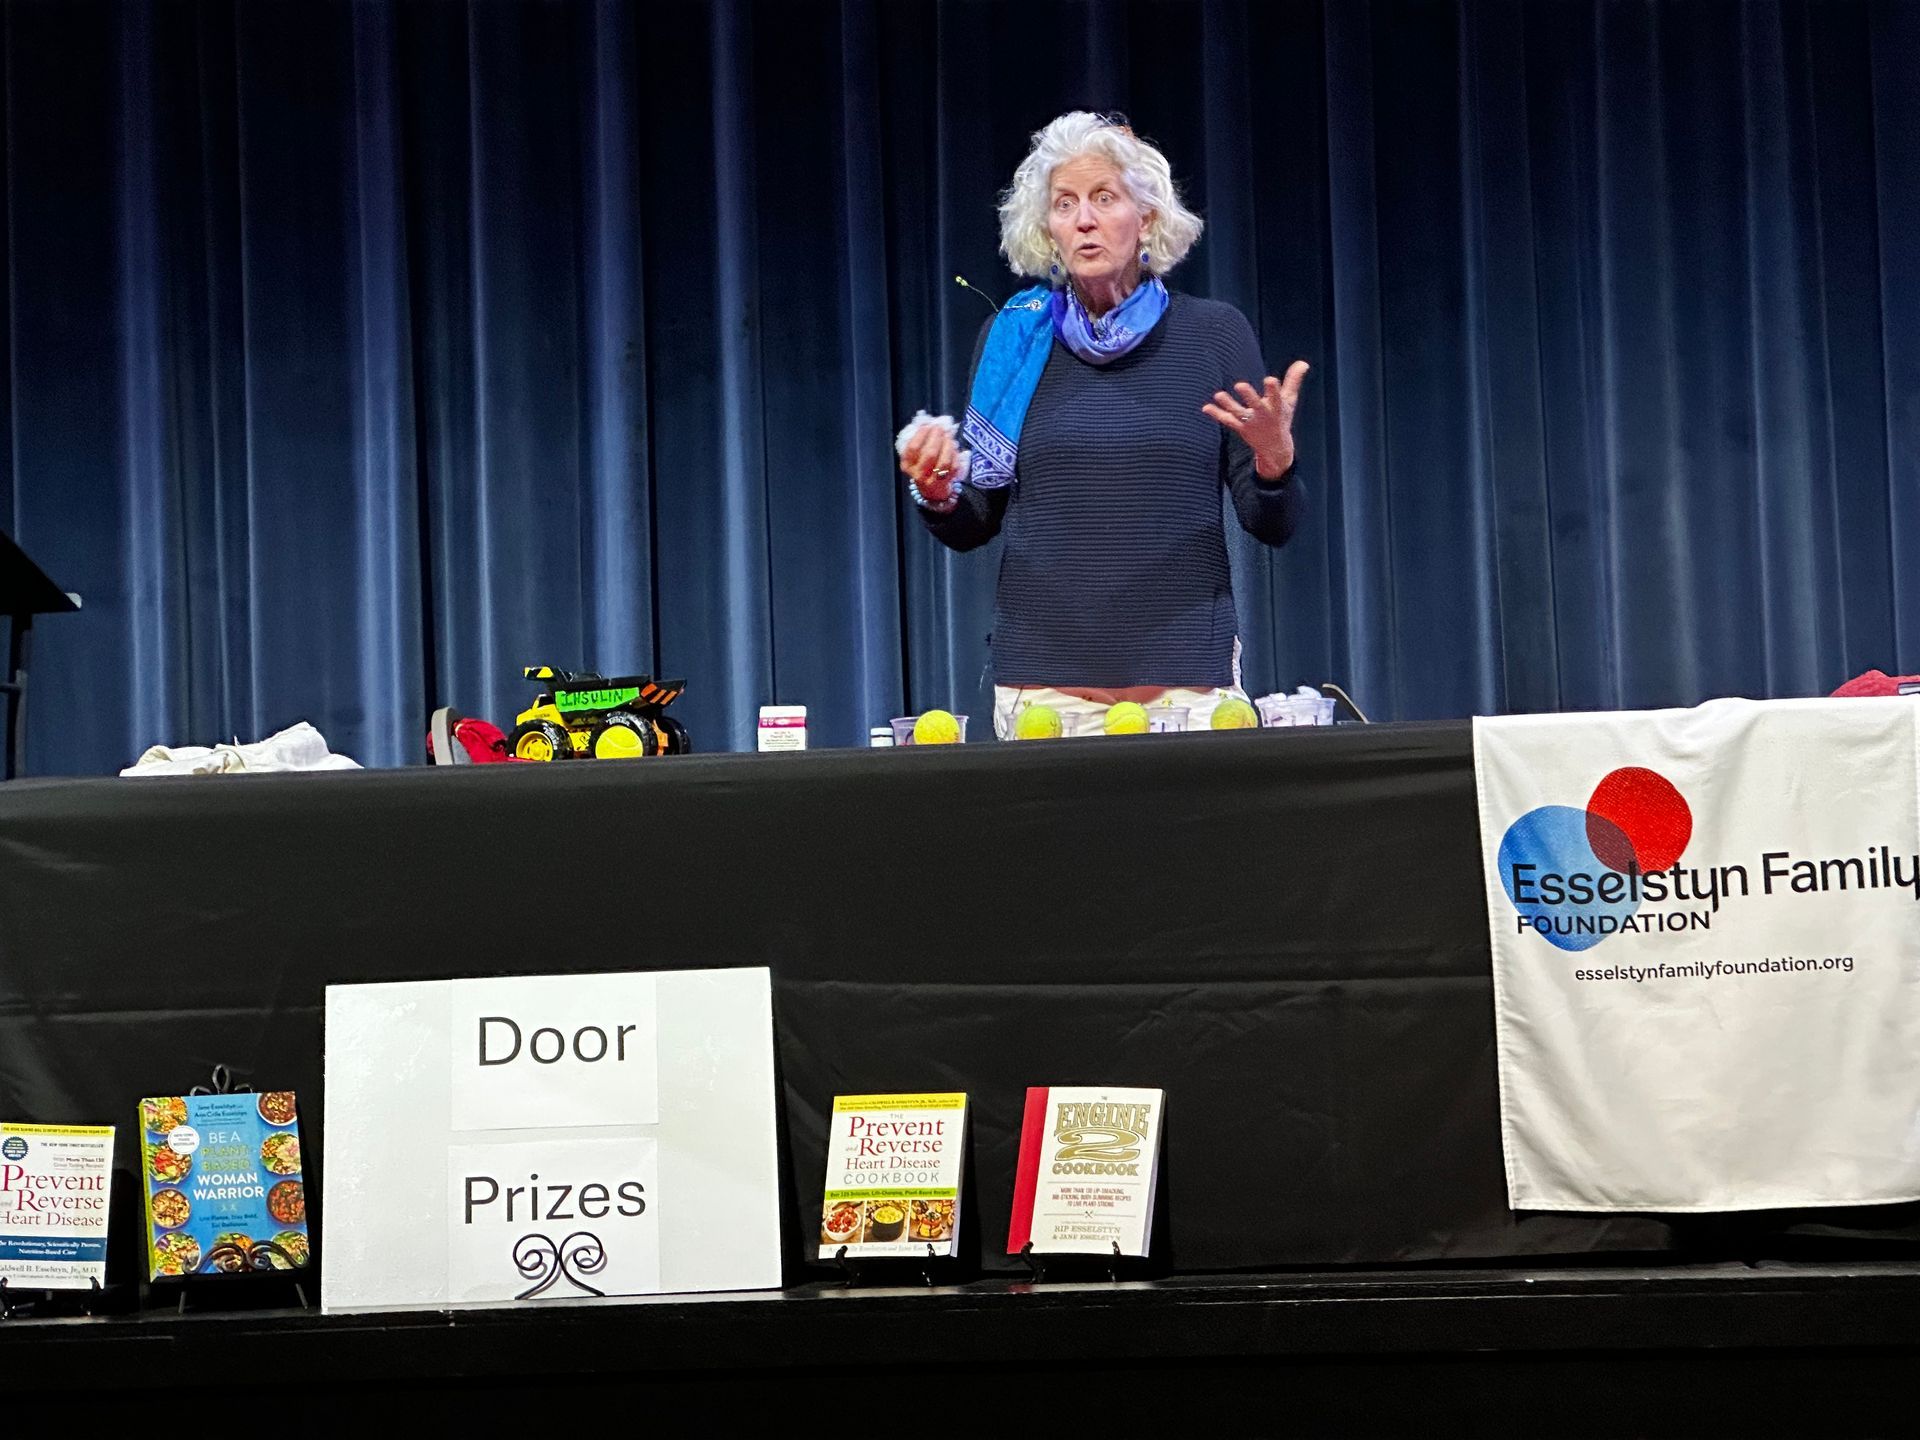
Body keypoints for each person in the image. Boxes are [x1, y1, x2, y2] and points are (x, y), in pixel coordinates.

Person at [898, 111, 1309, 738]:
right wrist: (939, 492)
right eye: (1065, 204)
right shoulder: (1014, 340)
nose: (1084, 219)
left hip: (1187, 696)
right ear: (1048, 230)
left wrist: (1274, 464)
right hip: (1043, 700)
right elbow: (974, 522)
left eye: (1103, 198)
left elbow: (1271, 524)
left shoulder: (1214, 335)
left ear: (1145, 218)